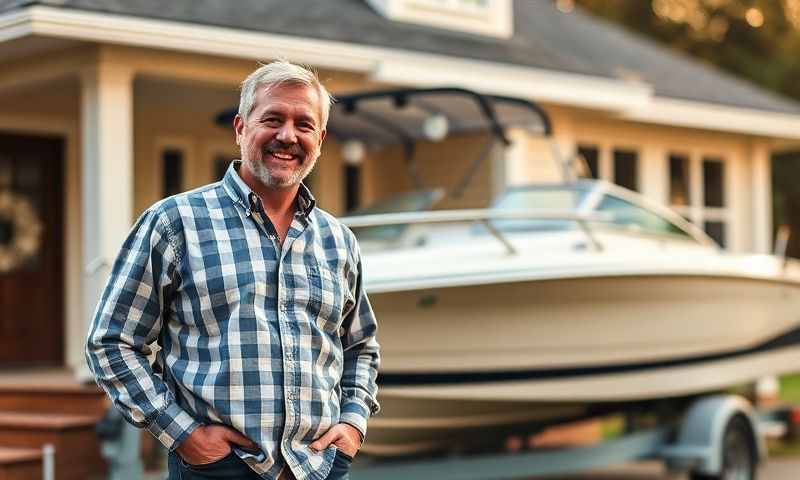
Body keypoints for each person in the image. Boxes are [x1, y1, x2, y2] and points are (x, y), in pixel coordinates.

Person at [86, 60, 380, 480]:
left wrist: (352, 425)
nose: (287, 136)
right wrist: (183, 434)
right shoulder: (175, 223)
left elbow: (361, 347)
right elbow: (111, 342)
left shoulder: (338, 239)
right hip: (217, 470)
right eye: (273, 119)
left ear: (320, 139)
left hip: (318, 468)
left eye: (304, 124)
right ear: (241, 128)